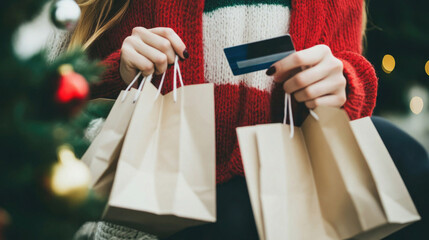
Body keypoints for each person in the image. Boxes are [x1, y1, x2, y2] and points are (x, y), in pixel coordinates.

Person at [60, 0, 427, 239]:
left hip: (295, 194)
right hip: (170, 199)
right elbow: (65, 90)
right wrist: (121, 69)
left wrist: (343, 81)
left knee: (404, 157)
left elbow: (347, 73)